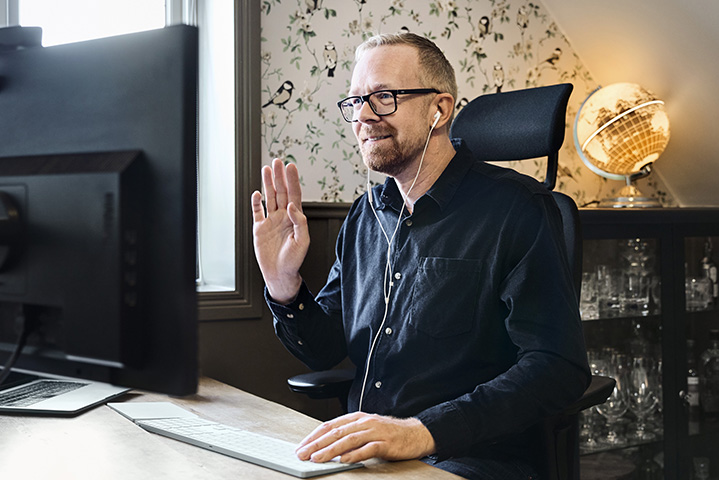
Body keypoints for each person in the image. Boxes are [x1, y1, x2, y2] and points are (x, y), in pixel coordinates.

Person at [251, 32, 590, 480]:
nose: (365, 116)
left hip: (470, 457)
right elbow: (325, 349)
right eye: (355, 102)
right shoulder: (365, 216)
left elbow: (558, 367)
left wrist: (420, 431)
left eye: (384, 97)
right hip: (364, 454)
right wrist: (283, 283)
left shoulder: (516, 210)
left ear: (440, 108)